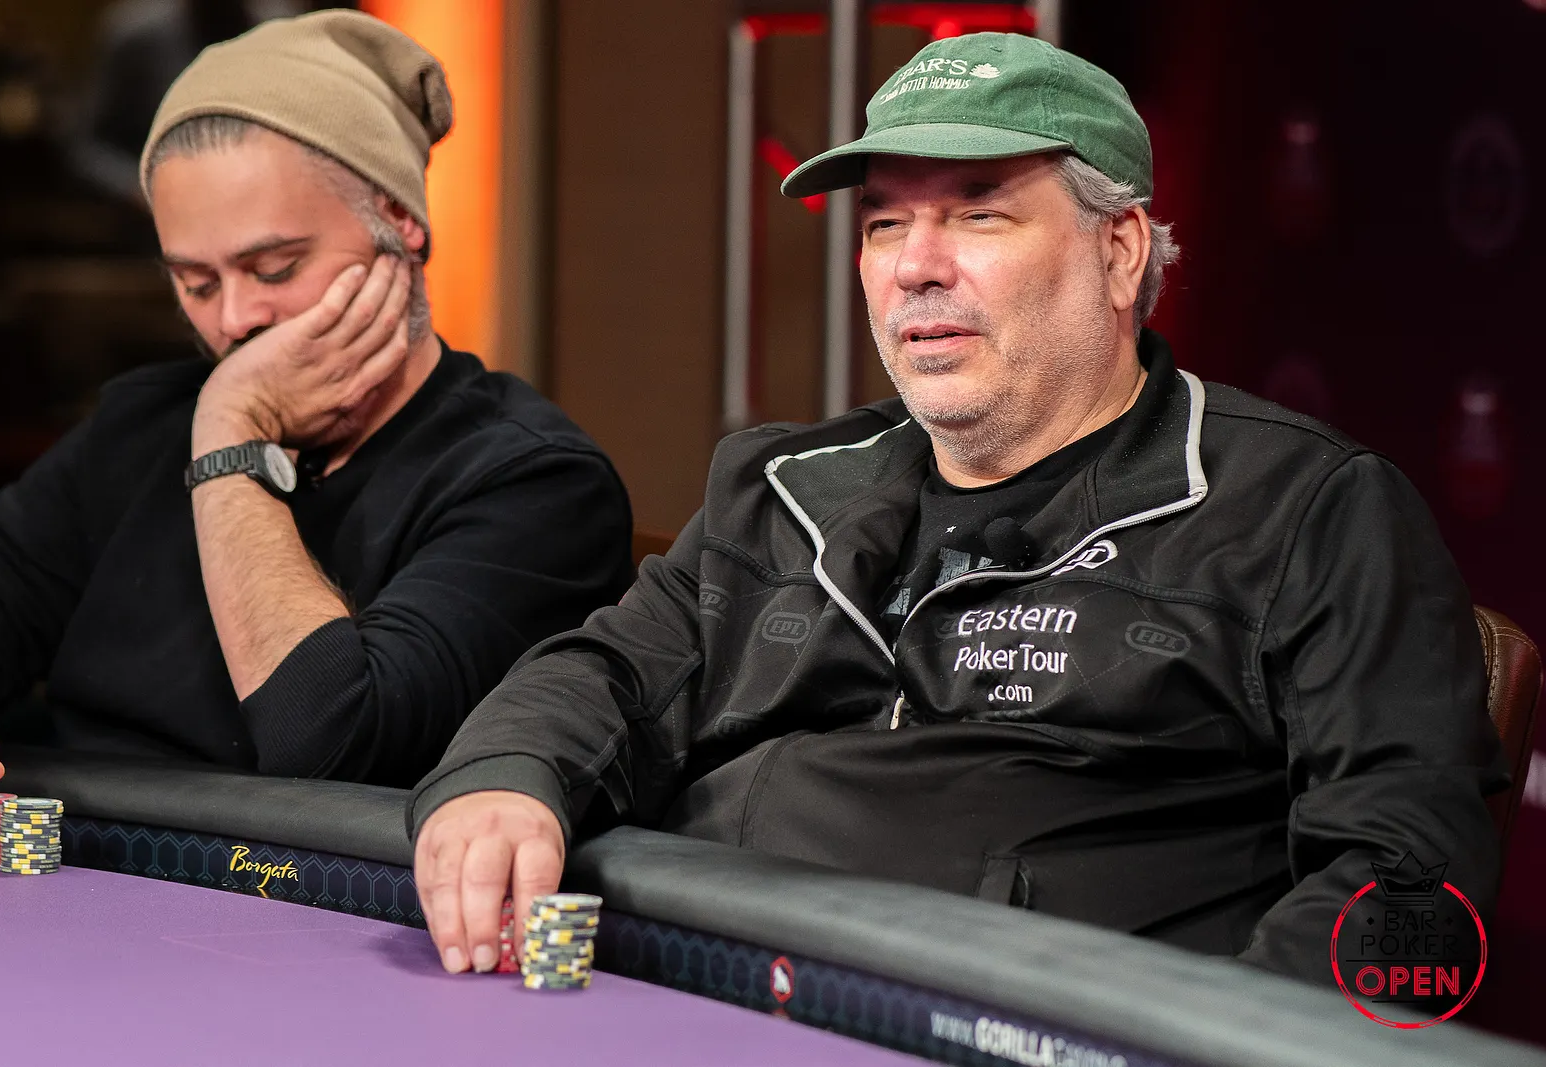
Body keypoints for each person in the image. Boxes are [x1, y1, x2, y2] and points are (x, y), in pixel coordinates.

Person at [407, 33, 1504, 983]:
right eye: (885, 224)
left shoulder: (1305, 510)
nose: (915, 267)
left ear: (1119, 251)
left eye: (979, 213)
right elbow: (607, 672)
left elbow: (1407, 883)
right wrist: (505, 777)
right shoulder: (780, 485)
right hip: (688, 993)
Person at [0, 11, 632, 788]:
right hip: (71, 853)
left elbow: (330, 742)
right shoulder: (138, 430)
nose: (235, 320)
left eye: (274, 268)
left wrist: (232, 435)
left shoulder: (536, 483)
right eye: (196, 282)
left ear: (400, 221)